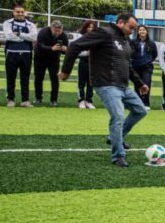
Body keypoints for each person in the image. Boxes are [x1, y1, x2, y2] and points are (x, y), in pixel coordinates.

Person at [59, 13, 148, 167]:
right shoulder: (104, 33)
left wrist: (140, 84)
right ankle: (118, 156)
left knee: (141, 110)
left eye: (134, 29)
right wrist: (66, 70)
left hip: (123, 86)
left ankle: (114, 137)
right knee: (118, 116)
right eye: (131, 27)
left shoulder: (125, 40)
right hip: (106, 84)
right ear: (120, 22)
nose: (132, 31)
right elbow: (75, 46)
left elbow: (127, 65)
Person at [1, 5, 37, 107]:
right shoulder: (7, 23)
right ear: (13, 12)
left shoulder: (31, 24)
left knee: (25, 78)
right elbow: (9, 36)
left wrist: (19, 34)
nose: (20, 14)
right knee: (10, 78)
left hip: (26, 54)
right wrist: (25, 37)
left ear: (24, 13)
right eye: (18, 12)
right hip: (11, 53)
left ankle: (25, 100)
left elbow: (33, 37)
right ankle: (11, 99)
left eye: (22, 12)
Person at [33, 21, 68, 106]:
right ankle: (38, 98)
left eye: (59, 31)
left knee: (55, 79)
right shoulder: (43, 32)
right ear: (51, 28)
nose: (57, 33)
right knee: (38, 78)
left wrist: (64, 49)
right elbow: (40, 45)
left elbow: (66, 48)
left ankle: (54, 100)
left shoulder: (63, 35)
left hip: (54, 59)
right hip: (40, 58)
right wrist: (51, 48)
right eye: (55, 30)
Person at [129, 25, 158, 108]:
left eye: (144, 30)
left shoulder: (151, 43)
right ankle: (138, 103)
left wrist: (148, 60)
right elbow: (131, 53)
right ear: (138, 32)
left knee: (146, 83)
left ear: (146, 31)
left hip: (147, 67)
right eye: (140, 30)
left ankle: (146, 103)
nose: (142, 31)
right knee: (137, 84)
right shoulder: (133, 42)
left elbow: (154, 54)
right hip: (136, 66)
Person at [72, 20, 97, 109]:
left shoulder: (96, 38)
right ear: (85, 28)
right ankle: (81, 100)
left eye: (92, 27)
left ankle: (89, 100)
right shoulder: (80, 37)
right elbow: (76, 51)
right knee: (81, 82)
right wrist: (87, 53)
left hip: (93, 62)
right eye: (89, 27)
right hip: (83, 61)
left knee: (91, 83)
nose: (90, 29)